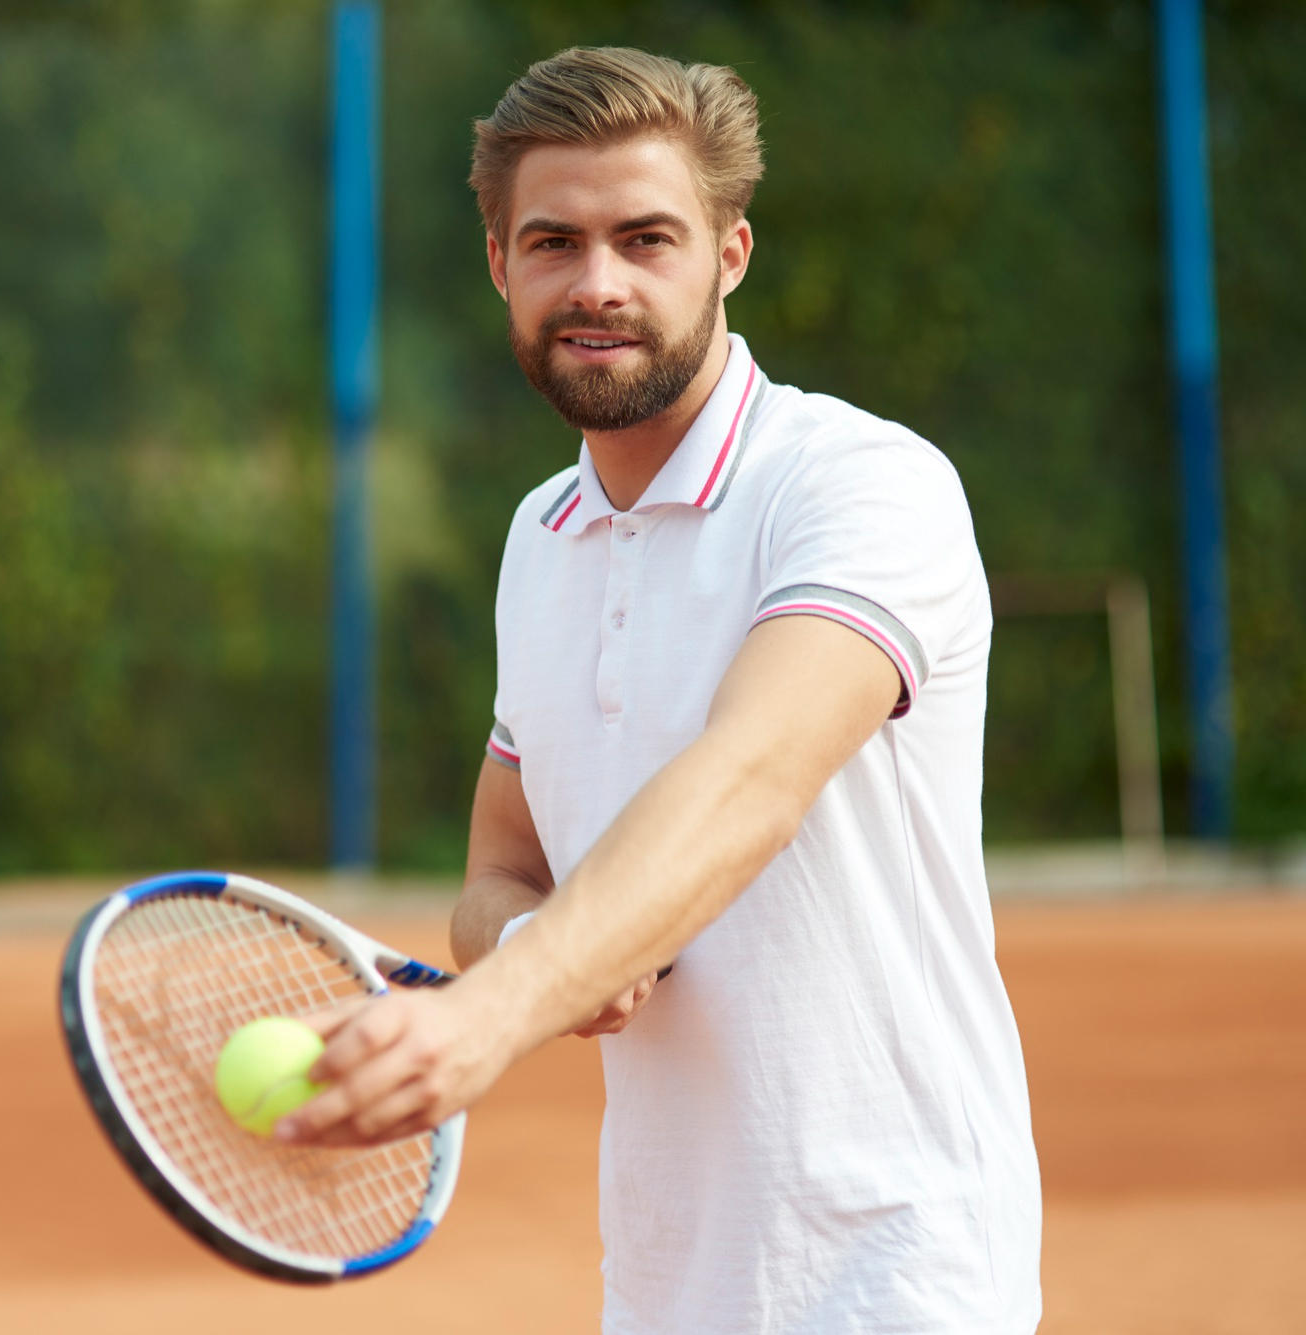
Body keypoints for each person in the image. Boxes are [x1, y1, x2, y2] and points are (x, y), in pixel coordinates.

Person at [276, 46, 1042, 1334]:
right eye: (554, 242)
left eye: (647, 238)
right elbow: (500, 865)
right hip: (660, 1283)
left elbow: (754, 775)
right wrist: (541, 952)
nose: (599, 283)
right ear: (499, 268)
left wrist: (497, 1017)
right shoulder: (542, 536)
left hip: (893, 1279)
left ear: (730, 253)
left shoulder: (860, 485)